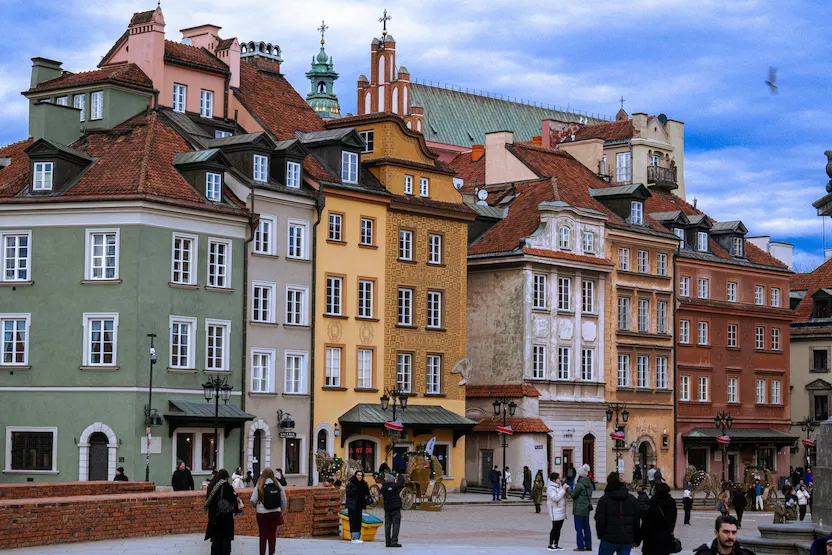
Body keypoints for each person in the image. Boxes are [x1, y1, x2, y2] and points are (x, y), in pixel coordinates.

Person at [595, 472, 640, 555]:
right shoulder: (632, 499)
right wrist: (636, 539)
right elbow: (636, 521)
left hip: (609, 538)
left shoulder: (604, 499)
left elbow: (600, 520)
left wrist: (601, 535)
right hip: (626, 539)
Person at [250, 468, 287, 555]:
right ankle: (271, 552)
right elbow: (284, 500)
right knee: (272, 534)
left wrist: (256, 507)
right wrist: (281, 510)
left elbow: (253, 500)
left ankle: (262, 552)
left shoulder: (260, 484)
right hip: (275, 512)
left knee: (263, 534)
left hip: (262, 514)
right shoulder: (277, 484)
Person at [204, 469, 239, 555]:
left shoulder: (212, 486)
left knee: (215, 544)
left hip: (214, 519)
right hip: (225, 518)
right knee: (225, 544)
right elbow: (233, 499)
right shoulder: (226, 486)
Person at [640, 482, 677, 555]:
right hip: (666, 540)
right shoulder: (672, 505)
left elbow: (646, 525)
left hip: (651, 542)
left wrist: (638, 539)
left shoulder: (653, 506)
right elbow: (673, 523)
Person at [572, 464, 594, 552]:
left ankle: (580, 546)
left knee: (579, 528)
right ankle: (588, 546)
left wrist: (568, 489)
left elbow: (574, 495)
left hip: (578, 509)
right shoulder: (590, 484)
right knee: (587, 528)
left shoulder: (579, 485)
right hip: (586, 508)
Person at [345, 470, 370, 543]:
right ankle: (353, 538)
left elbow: (366, 493)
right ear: (355, 475)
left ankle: (357, 537)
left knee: (359, 521)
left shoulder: (363, 484)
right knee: (353, 521)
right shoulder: (351, 483)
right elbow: (348, 494)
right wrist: (356, 489)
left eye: (361, 475)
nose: (359, 477)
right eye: (358, 475)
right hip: (352, 505)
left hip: (360, 505)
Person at [381, 472, 405, 548]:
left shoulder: (383, 488)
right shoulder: (395, 486)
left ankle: (387, 542)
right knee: (396, 524)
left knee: (387, 525)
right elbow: (402, 481)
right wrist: (399, 475)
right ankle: (394, 541)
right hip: (395, 508)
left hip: (387, 509)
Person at [547, 472, 569, 551]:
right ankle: (550, 544)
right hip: (555, 510)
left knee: (559, 528)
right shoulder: (550, 488)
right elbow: (555, 498)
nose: (560, 479)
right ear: (554, 480)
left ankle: (556, 544)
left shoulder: (559, 486)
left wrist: (566, 490)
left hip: (561, 510)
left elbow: (564, 496)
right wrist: (563, 490)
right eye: (558, 478)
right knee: (555, 528)